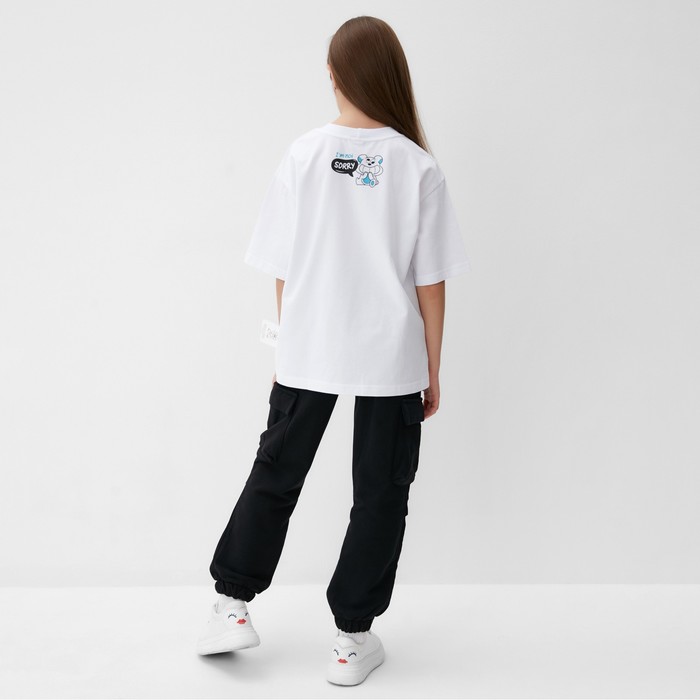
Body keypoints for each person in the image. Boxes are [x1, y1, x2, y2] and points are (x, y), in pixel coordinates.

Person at [196, 15, 472, 686]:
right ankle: (352, 639)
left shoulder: (303, 155)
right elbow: (430, 284)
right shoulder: (418, 167)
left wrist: (288, 345)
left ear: (333, 74)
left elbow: (283, 267)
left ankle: (231, 606)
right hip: (391, 354)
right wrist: (432, 368)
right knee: (381, 492)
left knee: (276, 471)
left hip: (310, 345)